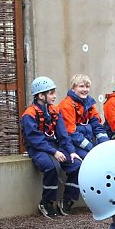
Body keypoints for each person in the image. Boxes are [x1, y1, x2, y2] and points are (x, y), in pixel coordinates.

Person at [20, 76, 81, 218]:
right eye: (51, 93)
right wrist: (54, 152)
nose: (54, 96)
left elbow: (63, 134)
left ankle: (67, 199)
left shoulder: (55, 110)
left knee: (76, 165)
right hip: (38, 149)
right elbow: (35, 139)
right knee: (51, 167)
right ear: (41, 95)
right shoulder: (29, 114)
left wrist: (71, 151)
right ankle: (46, 202)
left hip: (54, 146)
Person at [58, 74, 110, 159]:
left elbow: (97, 125)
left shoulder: (89, 103)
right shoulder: (66, 105)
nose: (85, 90)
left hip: (87, 143)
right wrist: (91, 148)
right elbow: (71, 133)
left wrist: (105, 145)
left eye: (87, 86)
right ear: (73, 88)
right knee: (92, 160)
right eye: (81, 86)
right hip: (72, 144)